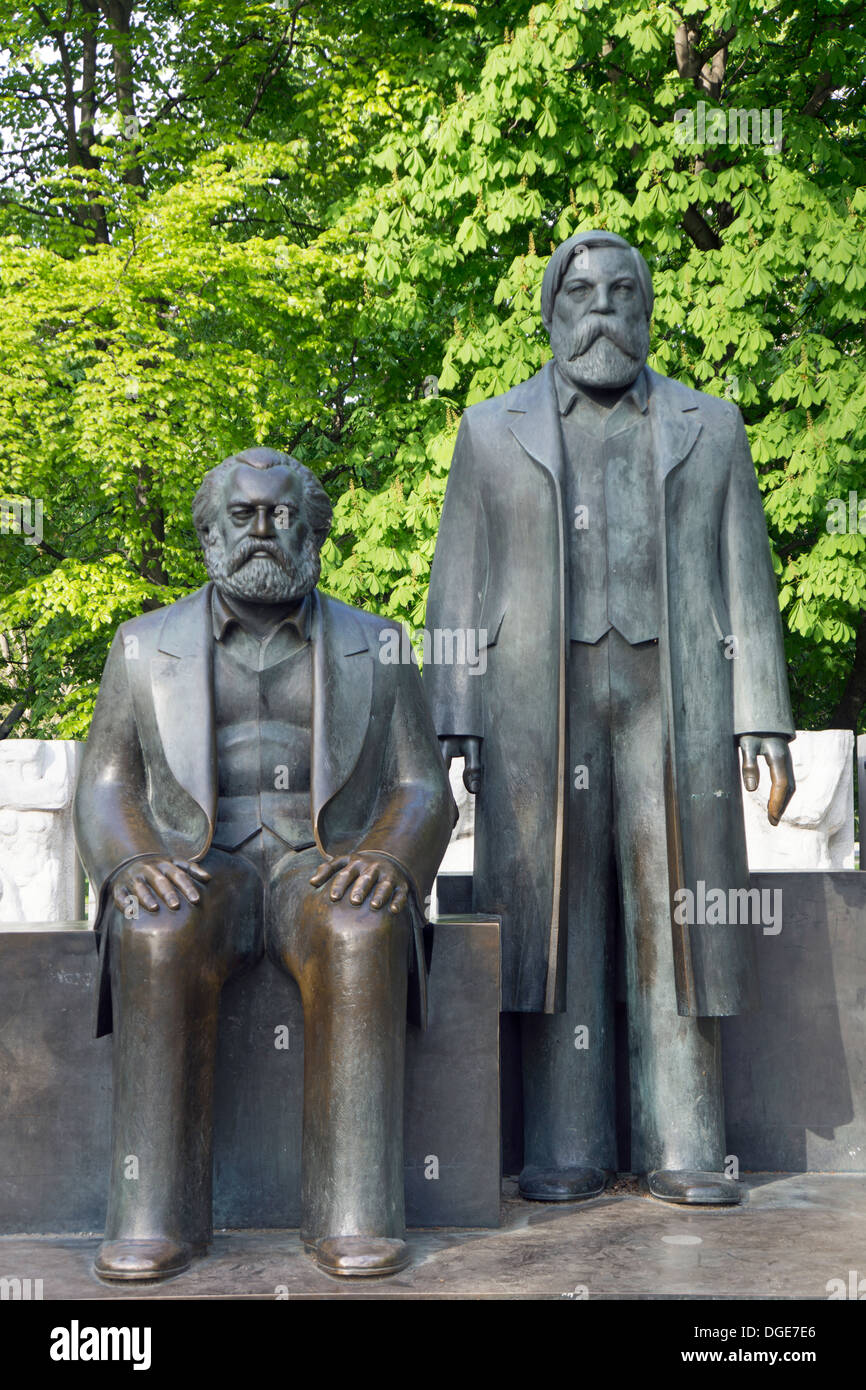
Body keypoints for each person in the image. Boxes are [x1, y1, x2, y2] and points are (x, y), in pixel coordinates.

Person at [425, 231, 795, 1205]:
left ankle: (684, 1141)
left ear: (645, 307)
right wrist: (451, 712)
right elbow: (457, 576)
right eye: (580, 291)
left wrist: (761, 714)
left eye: (621, 291)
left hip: (675, 694)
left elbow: (743, 575)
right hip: (532, 701)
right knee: (556, 919)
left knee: (677, 914)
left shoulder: (707, 425)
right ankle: (565, 1146)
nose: (601, 308)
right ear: (550, 311)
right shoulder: (488, 429)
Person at [74, 447, 455, 1281]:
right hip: (198, 866)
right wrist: (134, 859)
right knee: (156, 926)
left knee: (359, 924)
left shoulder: (377, 644)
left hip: (323, 867)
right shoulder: (142, 646)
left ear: (312, 532)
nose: (261, 531)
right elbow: (105, 785)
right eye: (240, 516)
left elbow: (423, 785)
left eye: (280, 515)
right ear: (209, 532)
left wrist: (390, 856)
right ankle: (154, 1217)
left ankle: (354, 1215)